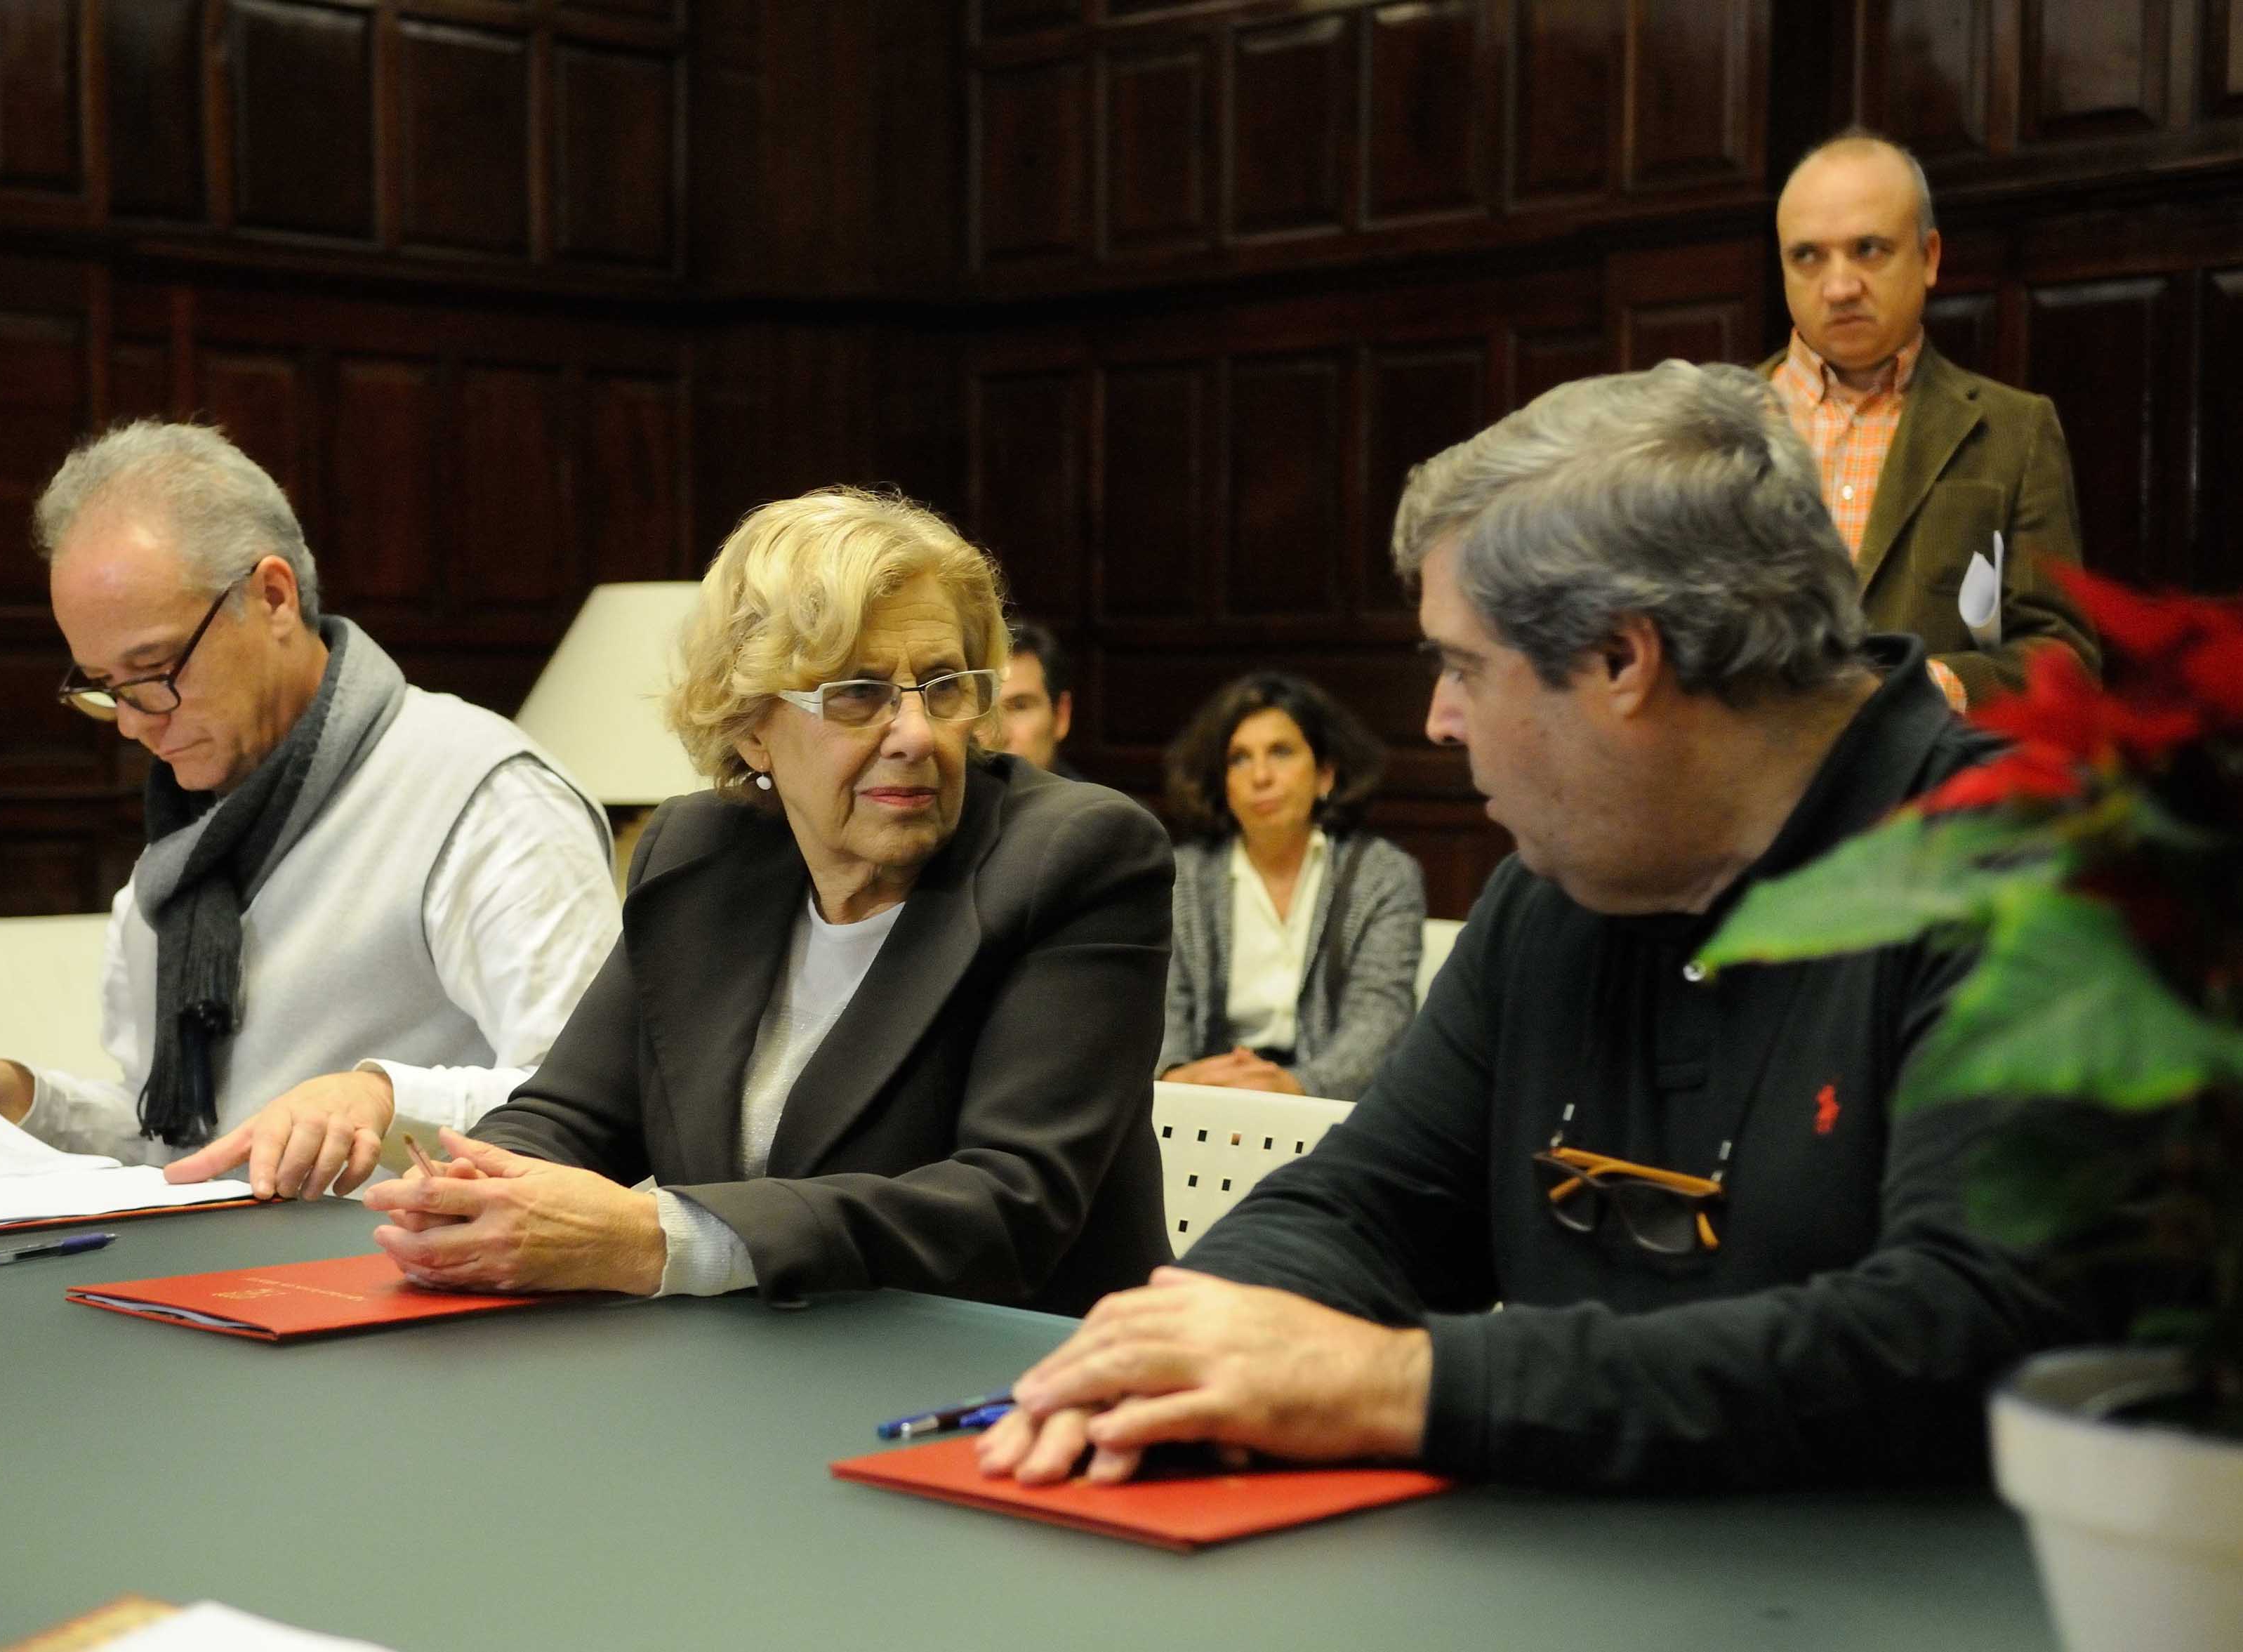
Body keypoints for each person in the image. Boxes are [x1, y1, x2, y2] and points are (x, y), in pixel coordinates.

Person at [976, 362, 2090, 1493]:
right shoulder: (1559, 884)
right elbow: (1367, 1201)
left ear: (1620, 659)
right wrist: (1178, 1347)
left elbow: (1956, 1341)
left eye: (1461, 666)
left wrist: (1398, 1387)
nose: (1436, 721)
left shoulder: (2032, 874)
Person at [362, 488, 1174, 1315]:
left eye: (942, 687)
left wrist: (658, 1238)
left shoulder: (1079, 856)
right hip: (748, 1365)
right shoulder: (700, 855)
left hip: (1005, 1390)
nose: (917, 734)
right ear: (753, 727)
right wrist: (476, 1191)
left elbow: (1012, 1206)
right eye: (858, 694)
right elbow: (568, 1112)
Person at [0, 423, 623, 1203]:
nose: (133, 721)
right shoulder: (185, 843)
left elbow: (596, 1097)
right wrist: (14, 1094)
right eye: (104, 687)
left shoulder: (480, 795)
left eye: (155, 668)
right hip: (221, 1284)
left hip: (428, 1301)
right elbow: (180, 1141)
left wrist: (381, 1095)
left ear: (272, 597)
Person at [1765, 128, 2099, 710]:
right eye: (1807, 256)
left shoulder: (2014, 432)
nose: (1839, 286)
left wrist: (1920, 691)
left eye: (1868, 249)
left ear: (1929, 258)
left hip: (1928, 787)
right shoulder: (1708, 427)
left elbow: (2063, 658)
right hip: (1748, 794)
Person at [1155, 671, 1423, 1102]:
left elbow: (1380, 1022)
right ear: (1223, 784)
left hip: (1333, 1107)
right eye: (1239, 758)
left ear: (1325, 775)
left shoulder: (1382, 875)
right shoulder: (1182, 877)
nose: (1260, 776)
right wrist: (1179, 1079)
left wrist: (1294, 1087)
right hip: (1208, 1103)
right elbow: (1160, 1014)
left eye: (1281, 752)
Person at [997, 620, 1081, 779]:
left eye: (1019, 706)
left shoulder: (1106, 804)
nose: (999, 734)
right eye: (983, 709)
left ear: (1062, 715)